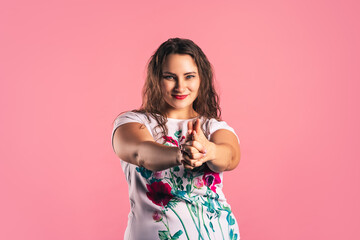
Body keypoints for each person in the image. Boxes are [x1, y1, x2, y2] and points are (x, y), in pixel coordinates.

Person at [111, 37, 241, 240]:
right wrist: (181, 154)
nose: (180, 87)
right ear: (156, 79)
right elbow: (140, 152)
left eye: (189, 76)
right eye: (170, 77)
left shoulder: (212, 127)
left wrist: (208, 150)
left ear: (201, 79)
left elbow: (231, 156)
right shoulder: (131, 122)